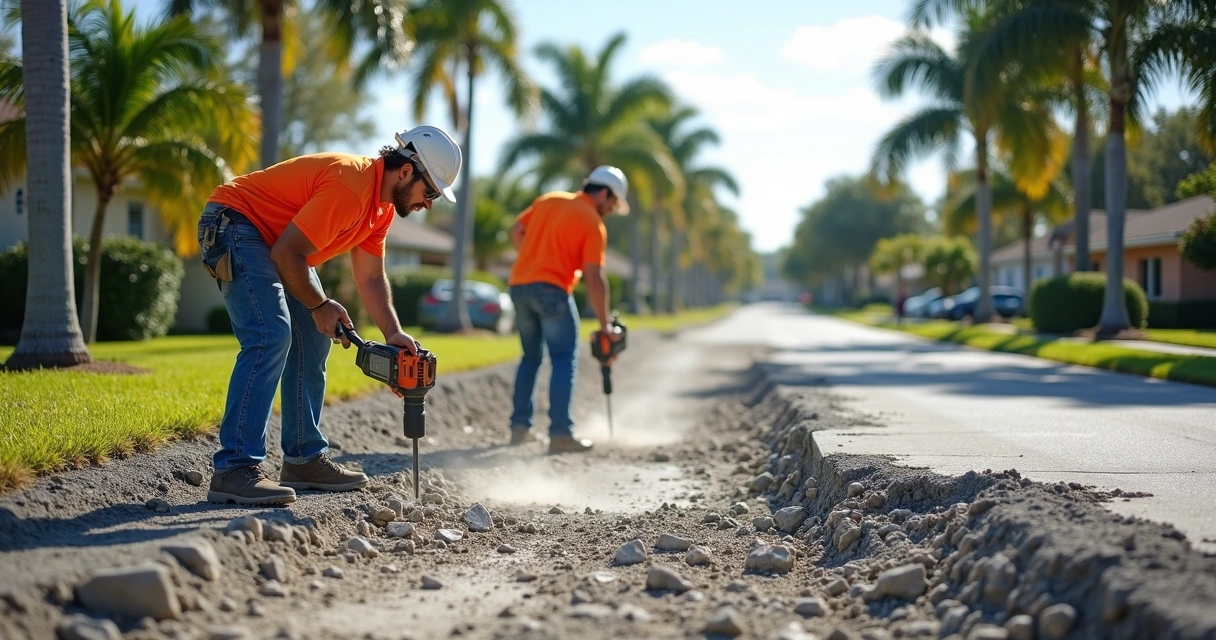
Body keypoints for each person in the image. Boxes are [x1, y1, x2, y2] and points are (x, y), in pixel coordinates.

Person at [196, 126, 462, 505]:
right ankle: (234, 468)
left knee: (313, 338)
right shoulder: (351, 185)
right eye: (431, 191)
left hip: (275, 242)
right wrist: (320, 305)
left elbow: (370, 277)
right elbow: (288, 255)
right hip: (234, 223)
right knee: (271, 334)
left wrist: (393, 333)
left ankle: (303, 459)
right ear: (405, 171)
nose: (429, 203)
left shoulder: (380, 211)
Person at [505, 166, 628, 454]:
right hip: (553, 290)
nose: (611, 209)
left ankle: (519, 428)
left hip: (520, 286)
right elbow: (595, 279)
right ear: (605, 193)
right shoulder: (592, 222)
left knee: (530, 358)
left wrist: (533, 258)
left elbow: (515, 231)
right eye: (612, 203)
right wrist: (604, 325)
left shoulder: (549, 199)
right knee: (562, 359)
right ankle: (560, 433)